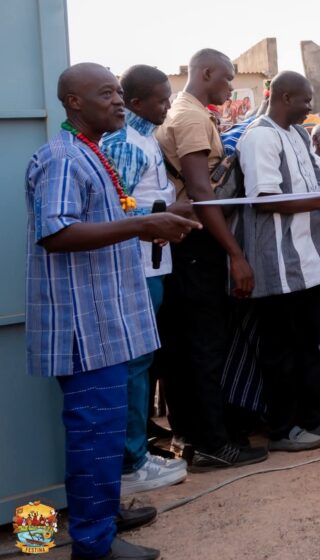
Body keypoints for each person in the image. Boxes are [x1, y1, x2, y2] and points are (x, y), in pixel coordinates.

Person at [27, 62, 201, 560]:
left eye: (119, 93)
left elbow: (104, 220)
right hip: (85, 325)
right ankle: (93, 544)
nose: (119, 101)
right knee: (93, 432)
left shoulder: (90, 153)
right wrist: (141, 228)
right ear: (74, 102)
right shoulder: (63, 158)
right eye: (107, 94)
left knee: (101, 432)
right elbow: (56, 233)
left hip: (104, 321)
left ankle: (103, 515)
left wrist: (154, 217)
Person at [155, 48, 268, 470]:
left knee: (188, 347)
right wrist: (235, 254)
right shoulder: (190, 117)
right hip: (198, 246)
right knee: (204, 346)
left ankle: (196, 437)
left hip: (191, 244)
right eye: (226, 79)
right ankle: (212, 443)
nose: (230, 87)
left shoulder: (189, 113)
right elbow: (203, 193)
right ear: (205, 72)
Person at [235, 71, 320, 450]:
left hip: (308, 258)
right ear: (284, 96)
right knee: (280, 347)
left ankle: (313, 417)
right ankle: (281, 429)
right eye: (305, 100)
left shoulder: (295, 135)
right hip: (278, 258)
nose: (310, 107)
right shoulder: (260, 136)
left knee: (308, 341)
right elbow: (264, 198)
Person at [100, 64, 188, 495]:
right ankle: (130, 463)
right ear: (135, 102)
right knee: (134, 363)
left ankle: (136, 452)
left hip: (153, 263)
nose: (167, 106)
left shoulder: (144, 139)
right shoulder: (124, 144)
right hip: (135, 266)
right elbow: (114, 212)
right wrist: (162, 217)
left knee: (142, 361)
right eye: (160, 100)